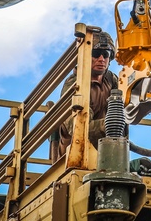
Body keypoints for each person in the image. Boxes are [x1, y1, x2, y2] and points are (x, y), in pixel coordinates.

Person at [51, 30, 119, 160]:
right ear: (85, 55)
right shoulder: (75, 84)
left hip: (106, 154)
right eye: (96, 53)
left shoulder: (111, 79)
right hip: (75, 157)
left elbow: (128, 103)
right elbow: (78, 127)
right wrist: (110, 124)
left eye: (106, 54)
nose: (101, 59)